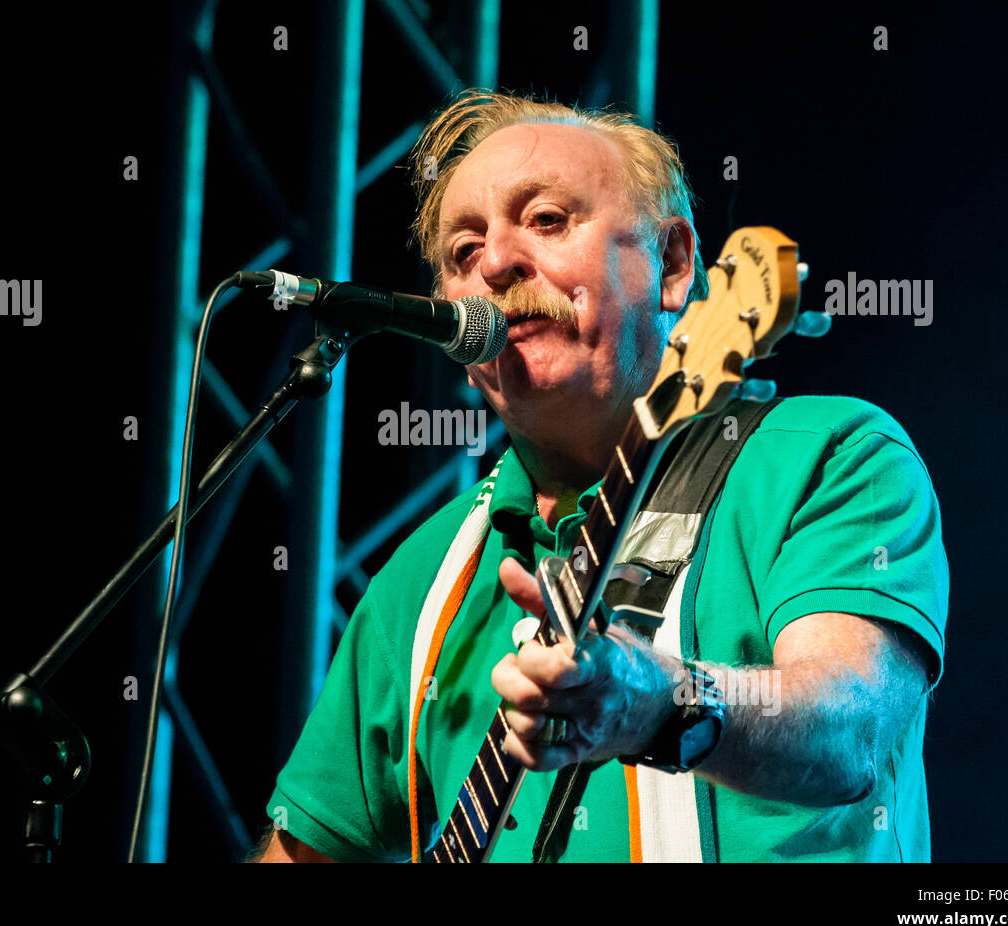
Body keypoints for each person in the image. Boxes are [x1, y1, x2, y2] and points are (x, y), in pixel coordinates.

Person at [254, 89, 948, 862]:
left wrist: (655, 704)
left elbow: (848, 729)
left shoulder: (829, 456)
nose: (496, 262)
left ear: (675, 265)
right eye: (462, 251)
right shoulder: (420, 580)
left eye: (547, 220)